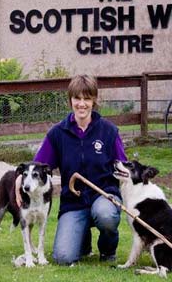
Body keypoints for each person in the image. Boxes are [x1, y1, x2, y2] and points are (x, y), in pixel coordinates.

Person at [29, 74, 127, 265]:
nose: (82, 104)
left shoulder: (108, 131)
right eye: (77, 98)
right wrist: (18, 181)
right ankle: (83, 242)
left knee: (105, 215)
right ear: (70, 100)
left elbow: (124, 169)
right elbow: (38, 167)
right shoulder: (58, 133)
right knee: (63, 257)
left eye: (87, 98)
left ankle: (108, 250)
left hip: (104, 196)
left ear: (94, 100)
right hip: (73, 203)